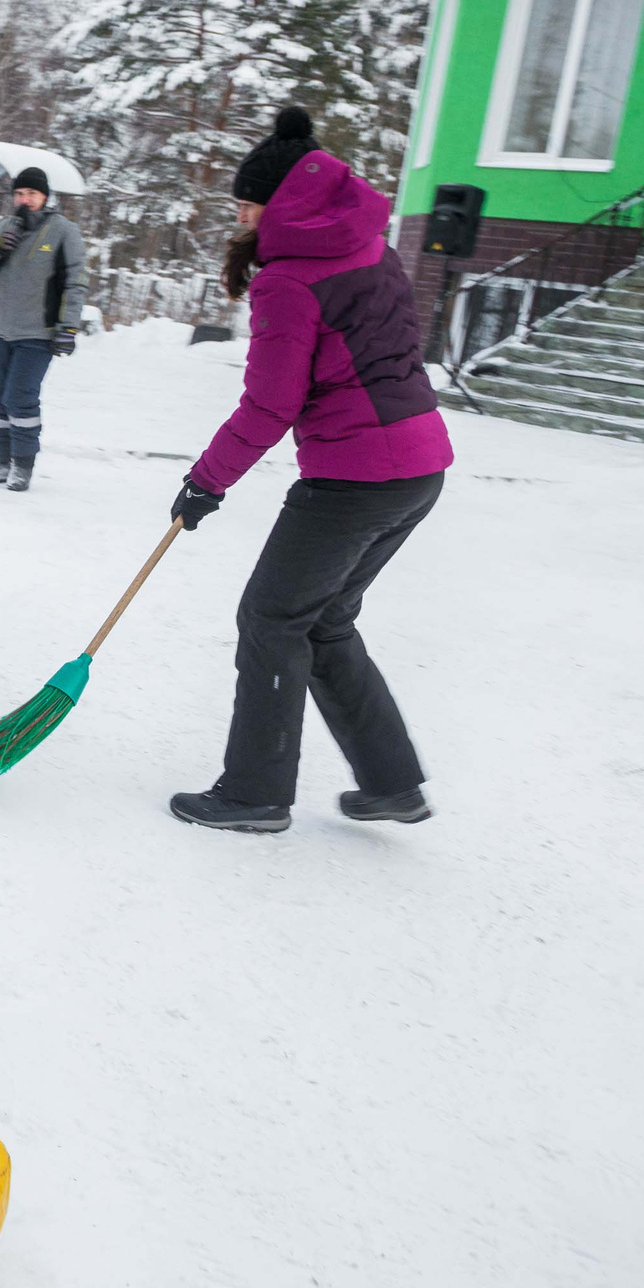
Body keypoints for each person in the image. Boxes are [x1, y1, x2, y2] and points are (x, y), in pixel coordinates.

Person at [166, 108, 453, 834]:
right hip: (419, 466)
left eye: (243, 204)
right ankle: (392, 781)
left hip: (355, 477)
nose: (238, 216)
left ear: (277, 203)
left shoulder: (288, 281)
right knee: (322, 621)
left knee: (271, 617)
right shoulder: (371, 247)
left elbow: (269, 403)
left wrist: (207, 479)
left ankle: (255, 793)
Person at [0, 165, 87, 492]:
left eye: (31, 194)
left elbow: (76, 283)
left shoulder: (64, 231)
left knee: (19, 399)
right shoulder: (6, 227)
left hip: (38, 333)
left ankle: (23, 465)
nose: (25, 199)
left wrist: (69, 327)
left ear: (45, 196)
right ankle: (3, 461)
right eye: (19, 194)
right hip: (2, 330)